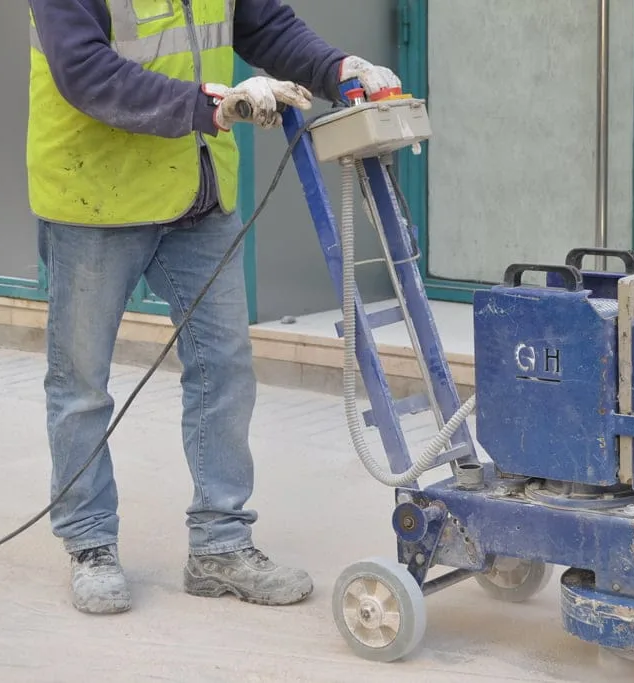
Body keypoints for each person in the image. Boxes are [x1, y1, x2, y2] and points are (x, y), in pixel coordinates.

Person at [27, 0, 401, 615]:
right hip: (96, 196)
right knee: (81, 385)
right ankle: (90, 543)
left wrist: (339, 69)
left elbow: (265, 25)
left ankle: (220, 545)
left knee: (224, 370)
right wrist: (211, 105)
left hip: (196, 194)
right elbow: (84, 70)